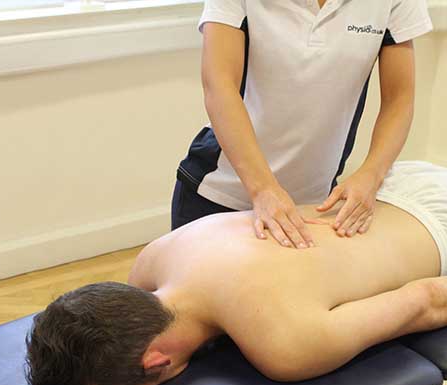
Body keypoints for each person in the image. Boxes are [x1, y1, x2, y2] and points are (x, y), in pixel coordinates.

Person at [25, 145, 447, 385]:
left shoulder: (283, 344)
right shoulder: (157, 257)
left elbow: (424, 302)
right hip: (387, 190)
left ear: (155, 364)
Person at [172, 0, 433, 248]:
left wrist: (371, 175)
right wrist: (263, 189)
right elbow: (220, 88)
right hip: (218, 197)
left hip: (313, 208)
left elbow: (399, 99)